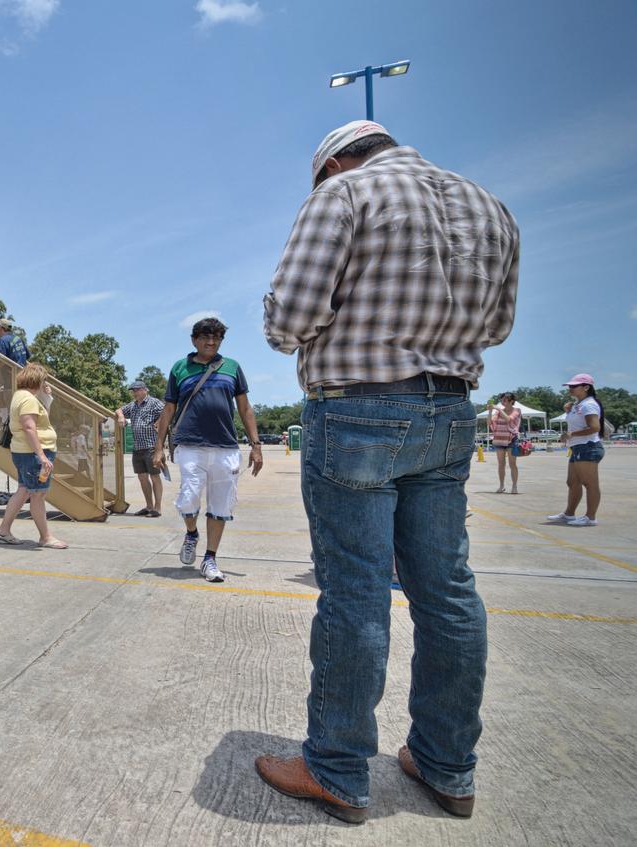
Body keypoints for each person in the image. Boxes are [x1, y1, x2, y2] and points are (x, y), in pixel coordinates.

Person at [257, 120, 520, 823]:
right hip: (449, 411)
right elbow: (497, 326)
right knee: (447, 592)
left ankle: (336, 768)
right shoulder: (488, 206)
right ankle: (445, 764)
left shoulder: (343, 194)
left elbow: (289, 319)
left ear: (334, 163)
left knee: (355, 592)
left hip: (358, 409)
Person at [151, 317, 263, 583]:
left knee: (221, 504)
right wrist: (158, 447)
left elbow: (245, 408)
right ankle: (191, 533)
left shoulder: (232, 367)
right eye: (205, 337)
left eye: (216, 338)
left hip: (225, 446)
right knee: (188, 498)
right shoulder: (180, 368)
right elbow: (169, 409)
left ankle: (210, 559)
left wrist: (256, 445)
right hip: (190, 445)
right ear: (194, 340)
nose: (211, 342)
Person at [0, 363, 67, 549]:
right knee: (38, 494)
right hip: (32, 453)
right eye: (43, 380)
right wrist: (41, 455)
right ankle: (45, 537)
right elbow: (29, 427)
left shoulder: (21, 396)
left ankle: (4, 529)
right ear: (37, 380)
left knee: (25, 490)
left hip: (24, 452)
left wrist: (46, 398)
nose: (44, 384)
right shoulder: (28, 400)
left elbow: (39, 422)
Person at [547, 374, 605, 526]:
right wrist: (568, 411)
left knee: (590, 484)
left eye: (574, 386)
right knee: (572, 482)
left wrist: (571, 434)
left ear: (586, 387)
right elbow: (578, 423)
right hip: (578, 447)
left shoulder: (588, 405)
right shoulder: (578, 405)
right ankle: (569, 514)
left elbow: (594, 427)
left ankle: (590, 517)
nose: (570, 388)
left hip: (588, 446)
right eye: (570, 386)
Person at [116, 380, 166, 517]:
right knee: (142, 477)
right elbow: (119, 409)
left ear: (145, 390)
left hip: (151, 446)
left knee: (155, 476)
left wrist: (159, 422)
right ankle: (149, 506)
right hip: (137, 447)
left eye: (137, 390)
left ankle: (157, 508)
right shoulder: (133, 405)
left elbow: (167, 412)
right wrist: (121, 416)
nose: (135, 392)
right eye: (133, 390)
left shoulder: (154, 402)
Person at [487, 392, 522, 493]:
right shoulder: (498, 412)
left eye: (505, 400)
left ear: (512, 401)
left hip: (511, 439)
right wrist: (490, 411)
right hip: (499, 439)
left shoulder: (517, 410)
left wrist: (498, 409)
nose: (502, 402)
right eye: (502, 400)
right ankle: (501, 485)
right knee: (501, 464)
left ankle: (514, 486)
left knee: (512, 463)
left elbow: (509, 419)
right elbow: (489, 423)